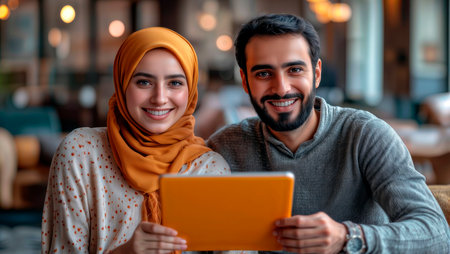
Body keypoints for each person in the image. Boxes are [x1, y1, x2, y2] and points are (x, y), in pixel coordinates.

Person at [207, 14, 450, 253]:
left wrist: (347, 237)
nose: (281, 88)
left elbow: (437, 234)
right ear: (245, 81)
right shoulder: (225, 147)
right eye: (263, 74)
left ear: (317, 73)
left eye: (294, 69)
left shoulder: (365, 135)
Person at [41, 27, 230, 254]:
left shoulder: (209, 169)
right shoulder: (81, 153)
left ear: (191, 90)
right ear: (122, 84)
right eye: (143, 82)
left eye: (175, 83)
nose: (159, 98)